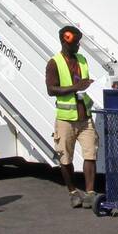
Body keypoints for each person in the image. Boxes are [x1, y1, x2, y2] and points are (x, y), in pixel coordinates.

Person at [45, 26, 98, 208]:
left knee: (90, 154)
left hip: (85, 116)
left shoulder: (82, 60)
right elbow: (51, 89)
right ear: (65, 41)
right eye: (75, 43)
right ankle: (73, 192)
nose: (78, 46)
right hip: (66, 119)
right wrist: (76, 87)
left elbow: (84, 83)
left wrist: (87, 85)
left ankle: (90, 192)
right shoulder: (54, 63)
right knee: (65, 158)